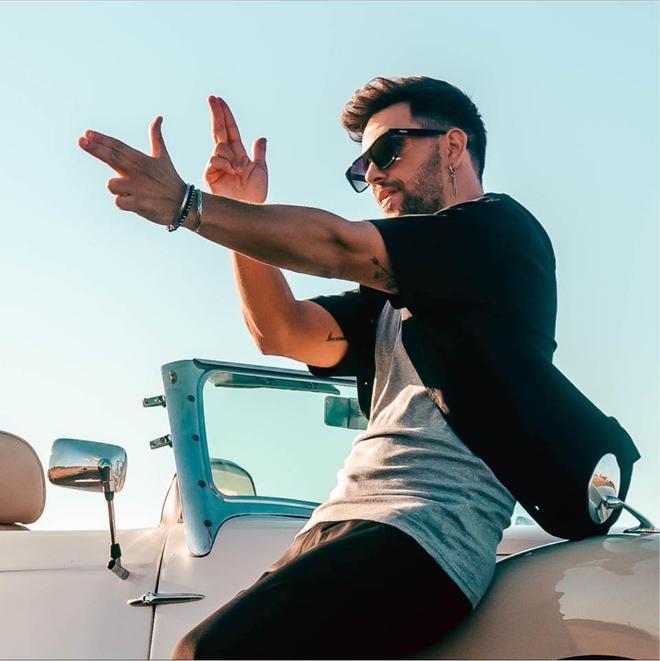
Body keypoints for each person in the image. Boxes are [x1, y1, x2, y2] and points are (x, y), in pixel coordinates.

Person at [78, 76, 639, 659]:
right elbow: (282, 332)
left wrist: (188, 206)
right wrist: (244, 216)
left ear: (452, 146)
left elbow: (339, 246)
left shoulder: (498, 234)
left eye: (387, 151)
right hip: (340, 523)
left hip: (425, 532)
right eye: (360, 166)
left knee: (205, 654)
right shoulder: (395, 294)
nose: (371, 174)